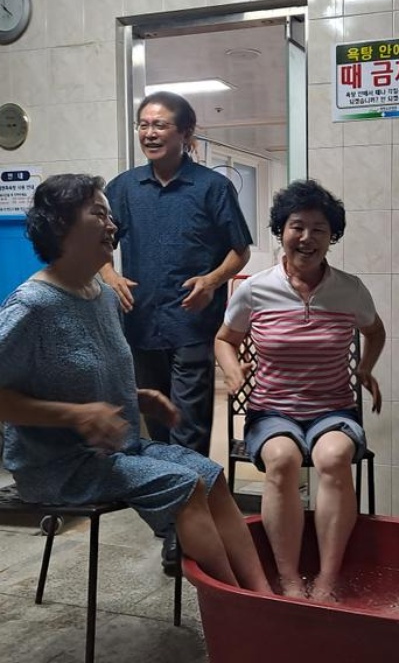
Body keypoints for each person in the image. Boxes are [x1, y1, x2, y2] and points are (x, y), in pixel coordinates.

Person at [0, 174, 272, 593]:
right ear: (60, 225)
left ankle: (263, 595)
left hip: (118, 451)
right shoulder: (33, 306)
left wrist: (137, 398)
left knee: (211, 475)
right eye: (99, 214)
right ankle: (238, 606)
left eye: (110, 215)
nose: (112, 225)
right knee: (184, 485)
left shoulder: (104, 297)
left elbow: (84, 374)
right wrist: (75, 415)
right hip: (59, 466)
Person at [215, 179, 386, 602]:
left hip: (333, 409)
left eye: (319, 229)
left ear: (332, 237)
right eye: (297, 226)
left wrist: (365, 368)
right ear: (281, 230)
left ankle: (328, 577)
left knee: (334, 457)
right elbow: (224, 339)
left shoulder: (350, 289)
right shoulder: (255, 289)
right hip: (272, 410)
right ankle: (289, 577)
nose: (307, 238)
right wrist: (233, 372)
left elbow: (375, 331)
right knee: (282, 459)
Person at [100, 91, 252, 457]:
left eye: (160, 125)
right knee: (156, 422)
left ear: (185, 132)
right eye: (144, 125)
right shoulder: (122, 188)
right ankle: (171, 490)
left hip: (192, 323)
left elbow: (240, 251)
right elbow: (98, 244)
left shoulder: (212, 187)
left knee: (188, 426)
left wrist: (212, 280)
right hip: (140, 322)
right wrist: (110, 276)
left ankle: (192, 487)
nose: (149, 133)